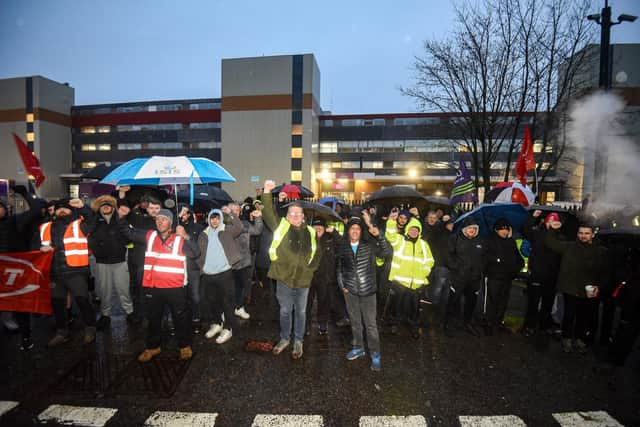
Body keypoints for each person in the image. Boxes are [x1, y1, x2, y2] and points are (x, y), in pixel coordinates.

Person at [117, 207, 200, 361]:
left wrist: (186, 236)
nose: (160, 222)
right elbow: (128, 232)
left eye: (164, 219)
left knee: (180, 318)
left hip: (175, 287)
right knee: (153, 319)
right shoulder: (150, 236)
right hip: (153, 287)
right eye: (157, 219)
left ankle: (184, 345)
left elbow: (196, 253)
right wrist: (121, 217)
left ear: (170, 222)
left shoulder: (179, 238)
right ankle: (153, 347)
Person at [261, 180, 321, 359]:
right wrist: (266, 192)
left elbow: (317, 254)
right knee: (285, 310)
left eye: (299, 213)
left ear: (303, 216)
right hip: (283, 278)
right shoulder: (281, 226)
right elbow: (268, 214)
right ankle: (285, 338)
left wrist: (310, 270)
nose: (295, 215)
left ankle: (298, 340)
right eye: (292, 212)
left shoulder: (310, 231)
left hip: (303, 280)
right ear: (287, 215)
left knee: (301, 312)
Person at [39, 198, 97, 347]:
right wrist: (40, 249)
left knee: (83, 301)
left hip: (75, 271)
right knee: (58, 305)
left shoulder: (80, 225)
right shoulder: (45, 227)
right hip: (54, 273)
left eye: (65, 208)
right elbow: (36, 246)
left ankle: (90, 328)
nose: (61, 210)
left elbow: (93, 219)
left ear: (72, 210)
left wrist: (84, 207)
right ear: (54, 211)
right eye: (58, 208)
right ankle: (61, 332)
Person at [337, 213, 392, 371]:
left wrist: (379, 235)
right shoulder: (343, 247)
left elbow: (388, 253)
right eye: (352, 228)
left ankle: (375, 354)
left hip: (368, 292)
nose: (355, 231)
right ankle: (359, 347)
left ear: (361, 232)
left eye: (358, 229)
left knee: (370, 325)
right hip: (350, 292)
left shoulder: (369, 246)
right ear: (348, 231)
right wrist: (343, 287)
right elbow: (339, 269)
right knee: (355, 323)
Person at [545, 223, 609, 354]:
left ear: (592, 234)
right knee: (569, 315)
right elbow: (551, 243)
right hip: (570, 288)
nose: (583, 236)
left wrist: (599, 286)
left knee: (583, 316)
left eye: (586, 233)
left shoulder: (600, 251)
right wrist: (553, 230)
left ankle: (579, 339)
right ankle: (566, 339)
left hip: (588, 290)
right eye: (581, 233)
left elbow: (605, 272)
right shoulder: (569, 246)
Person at [0, 186, 45, 350]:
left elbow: (37, 209)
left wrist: (25, 193)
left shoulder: (15, 221)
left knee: (19, 305)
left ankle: (26, 338)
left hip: (15, 270)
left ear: (6, 209)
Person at [89, 195, 136, 330]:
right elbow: (90, 238)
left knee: (124, 289)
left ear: (112, 208)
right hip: (102, 262)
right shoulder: (95, 221)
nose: (106, 208)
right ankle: (105, 315)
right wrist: (98, 251)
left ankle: (129, 312)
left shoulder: (120, 220)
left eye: (108, 206)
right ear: (100, 208)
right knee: (104, 290)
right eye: (103, 206)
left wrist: (123, 246)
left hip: (120, 261)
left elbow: (128, 236)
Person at [197, 207, 243, 344]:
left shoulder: (227, 230)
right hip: (208, 274)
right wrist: (201, 267)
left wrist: (229, 213)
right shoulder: (203, 234)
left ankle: (228, 328)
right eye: (212, 218)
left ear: (221, 219)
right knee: (212, 301)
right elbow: (199, 252)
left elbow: (239, 226)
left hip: (224, 273)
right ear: (209, 219)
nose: (215, 220)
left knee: (227, 302)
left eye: (217, 218)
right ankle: (217, 323)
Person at [385, 212, 435, 338]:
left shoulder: (424, 244)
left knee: (415, 307)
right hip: (400, 281)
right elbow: (390, 235)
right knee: (397, 304)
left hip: (417, 282)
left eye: (416, 230)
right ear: (407, 230)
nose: (413, 232)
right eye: (411, 229)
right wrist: (391, 222)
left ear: (419, 231)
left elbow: (429, 261)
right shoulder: (400, 241)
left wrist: (423, 272)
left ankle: (414, 326)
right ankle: (394, 324)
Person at [521, 211, 563, 335]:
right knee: (533, 302)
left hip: (552, 276)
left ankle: (544, 326)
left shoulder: (560, 237)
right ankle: (529, 326)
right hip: (537, 274)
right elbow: (525, 229)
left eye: (554, 220)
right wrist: (533, 217)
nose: (551, 223)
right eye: (549, 220)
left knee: (548, 303)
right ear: (545, 221)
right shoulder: (537, 233)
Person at [482, 218, 524, 336]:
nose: (504, 232)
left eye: (507, 229)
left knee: (503, 301)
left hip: (507, 277)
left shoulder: (511, 242)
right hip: (494, 276)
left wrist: (514, 271)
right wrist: (496, 260)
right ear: (496, 230)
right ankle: (488, 323)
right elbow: (485, 257)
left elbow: (519, 259)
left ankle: (498, 322)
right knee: (492, 300)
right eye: (502, 229)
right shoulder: (489, 240)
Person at [444, 216, 485, 337]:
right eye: (469, 228)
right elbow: (448, 255)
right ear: (464, 229)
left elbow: (484, 257)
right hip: (458, 277)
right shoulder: (455, 239)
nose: (472, 230)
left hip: (474, 279)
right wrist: (456, 267)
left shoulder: (480, 241)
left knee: (471, 303)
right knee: (453, 301)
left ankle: (467, 323)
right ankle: (449, 324)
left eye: (474, 228)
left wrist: (480, 269)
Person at [228, 202, 263, 320]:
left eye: (237, 210)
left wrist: (258, 217)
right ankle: (227, 310)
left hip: (243, 262)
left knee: (241, 287)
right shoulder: (222, 225)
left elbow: (257, 230)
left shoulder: (244, 224)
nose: (234, 212)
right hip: (227, 264)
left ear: (240, 212)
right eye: (232, 210)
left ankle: (239, 307)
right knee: (228, 289)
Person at [305, 218, 339, 335]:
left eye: (321, 226)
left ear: (325, 228)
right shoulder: (307, 239)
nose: (318, 228)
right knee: (307, 303)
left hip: (325, 277)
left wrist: (334, 232)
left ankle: (322, 324)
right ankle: (306, 325)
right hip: (309, 277)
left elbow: (343, 244)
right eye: (315, 226)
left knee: (324, 302)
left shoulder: (330, 239)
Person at [177, 204, 205, 333]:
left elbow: (198, 249)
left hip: (193, 267)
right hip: (177, 266)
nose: (183, 215)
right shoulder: (174, 227)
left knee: (195, 296)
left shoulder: (198, 228)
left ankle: (196, 319)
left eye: (186, 213)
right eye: (181, 213)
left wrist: (185, 236)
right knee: (180, 296)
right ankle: (181, 320)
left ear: (190, 214)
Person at [422, 211, 453, 325]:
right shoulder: (423, 226)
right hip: (426, 260)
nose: (432, 219)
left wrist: (445, 222)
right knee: (429, 288)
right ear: (426, 218)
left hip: (436, 262)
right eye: (430, 217)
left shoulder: (439, 229)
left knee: (435, 288)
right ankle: (426, 311)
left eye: (434, 218)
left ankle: (431, 312)